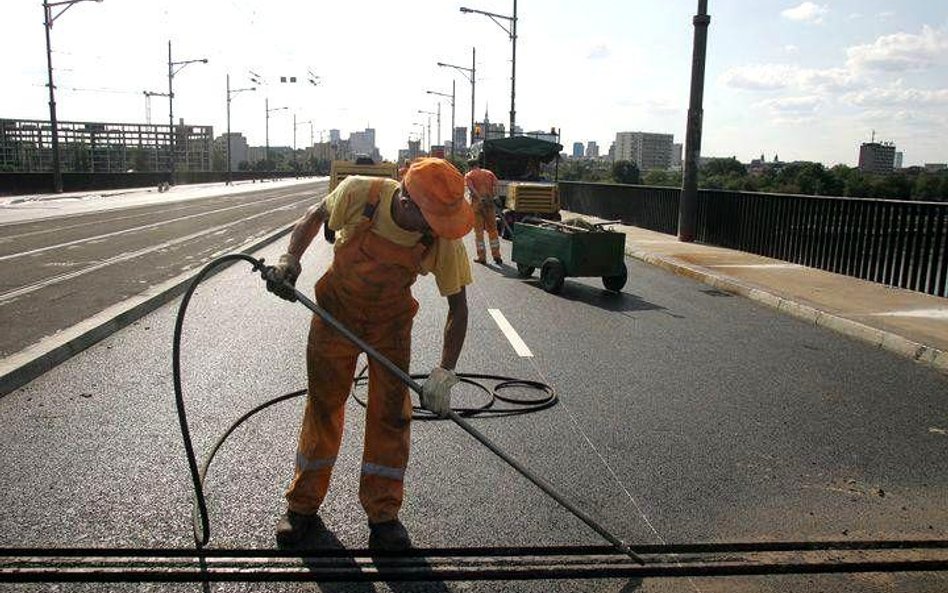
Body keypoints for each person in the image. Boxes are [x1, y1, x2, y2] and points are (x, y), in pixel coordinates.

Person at [264, 157, 475, 550]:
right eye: (430, 219)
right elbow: (315, 216)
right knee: (324, 408)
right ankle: (301, 508)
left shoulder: (441, 238)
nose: (437, 229)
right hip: (335, 315)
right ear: (408, 200)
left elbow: (458, 308)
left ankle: (383, 516)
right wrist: (289, 259)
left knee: (391, 416)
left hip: (390, 327)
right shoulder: (362, 193)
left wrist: (445, 373)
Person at [464, 159, 502, 265]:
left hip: (477, 207)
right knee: (493, 230)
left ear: (470, 166)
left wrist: (479, 197)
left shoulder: (469, 175)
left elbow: (471, 189)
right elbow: (496, 185)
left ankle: (482, 257)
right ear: (478, 165)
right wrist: (495, 196)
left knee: (479, 233)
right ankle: (497, 256)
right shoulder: (489, 173)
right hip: (490, 205)